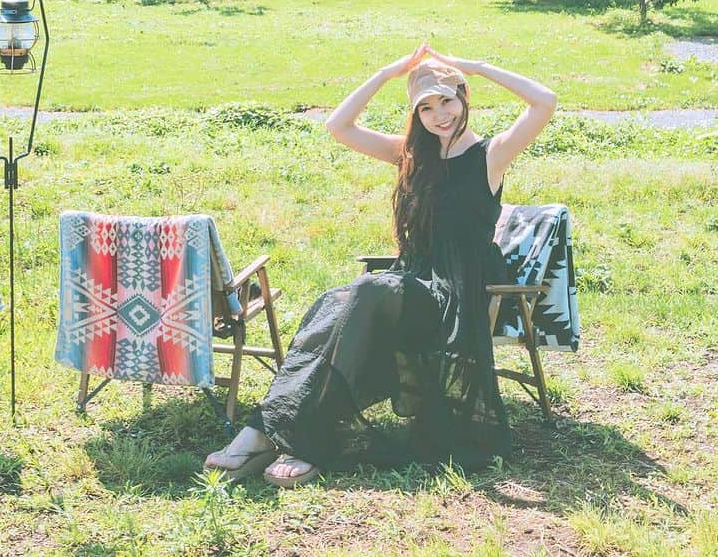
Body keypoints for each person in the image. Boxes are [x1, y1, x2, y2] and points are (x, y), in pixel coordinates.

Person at [203, 41, 558, 487]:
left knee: (367, 292)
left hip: (455, 300)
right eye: (426, 108)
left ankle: (298, 442)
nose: (439, 115)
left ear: (464, 97)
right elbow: (339, 124)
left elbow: (545, 102)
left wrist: (474, 65)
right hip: (412, 285)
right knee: (336, 304)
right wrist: (387, 74)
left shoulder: (491, 155)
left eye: (446, 100)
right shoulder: (411, 155)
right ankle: (262, 431)